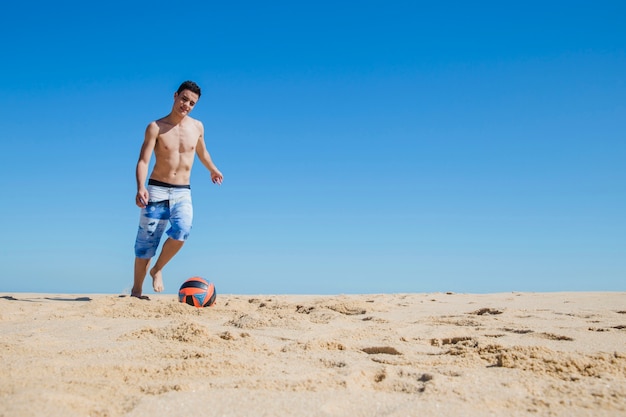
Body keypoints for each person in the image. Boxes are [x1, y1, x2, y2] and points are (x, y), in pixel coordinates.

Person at [131, 81, 223, 299]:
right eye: (184, 99)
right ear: (175, 96)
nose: (187, 105)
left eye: (192, 103)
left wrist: (212, 169)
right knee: (146, 244)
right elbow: (143, 161)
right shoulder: (156, 127)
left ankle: (158, 269)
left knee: (182, 231)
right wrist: (140, 186)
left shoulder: (197, 127)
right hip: (156, 190)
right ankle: (136, 292)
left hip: (182, 190)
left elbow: (202, 152)